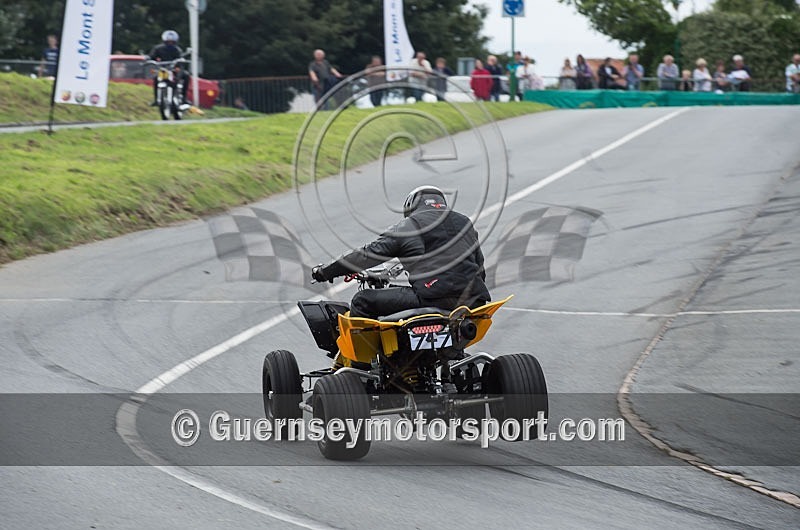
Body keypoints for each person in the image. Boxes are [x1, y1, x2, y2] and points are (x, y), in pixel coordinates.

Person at [311, 186, 490, 319]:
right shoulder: (464, 222)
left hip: (434, 299)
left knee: (362, 300)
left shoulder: (408, 226)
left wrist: (325, 271)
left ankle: (364, 358)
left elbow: (366, 255)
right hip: (474, 301)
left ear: (411, 207)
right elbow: (480, 269)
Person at [147, 30, 190, 107]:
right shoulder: (158, 49)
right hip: (162, 70)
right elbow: (151, 57)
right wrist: (148, 59)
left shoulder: (177, 50)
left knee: (186, 75)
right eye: (168, 42)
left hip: (174, 70)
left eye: (172, 42)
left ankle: (184, 98)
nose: (170, 43)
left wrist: (180, 62)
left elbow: (180, 58)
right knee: (156, 79)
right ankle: (156, 99)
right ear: (164, 41)